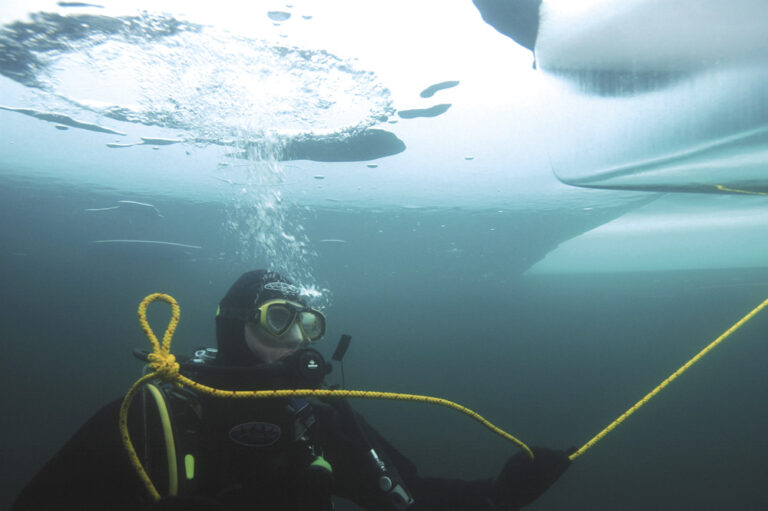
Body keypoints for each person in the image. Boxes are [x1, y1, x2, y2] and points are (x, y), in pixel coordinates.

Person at [13, 270, 571, 511]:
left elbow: (410, 497)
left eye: (307, 324)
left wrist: (499, 494)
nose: (297, 341)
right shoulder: (153, 414)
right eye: (277, 319)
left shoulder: (317, 416)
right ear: (234, 327)